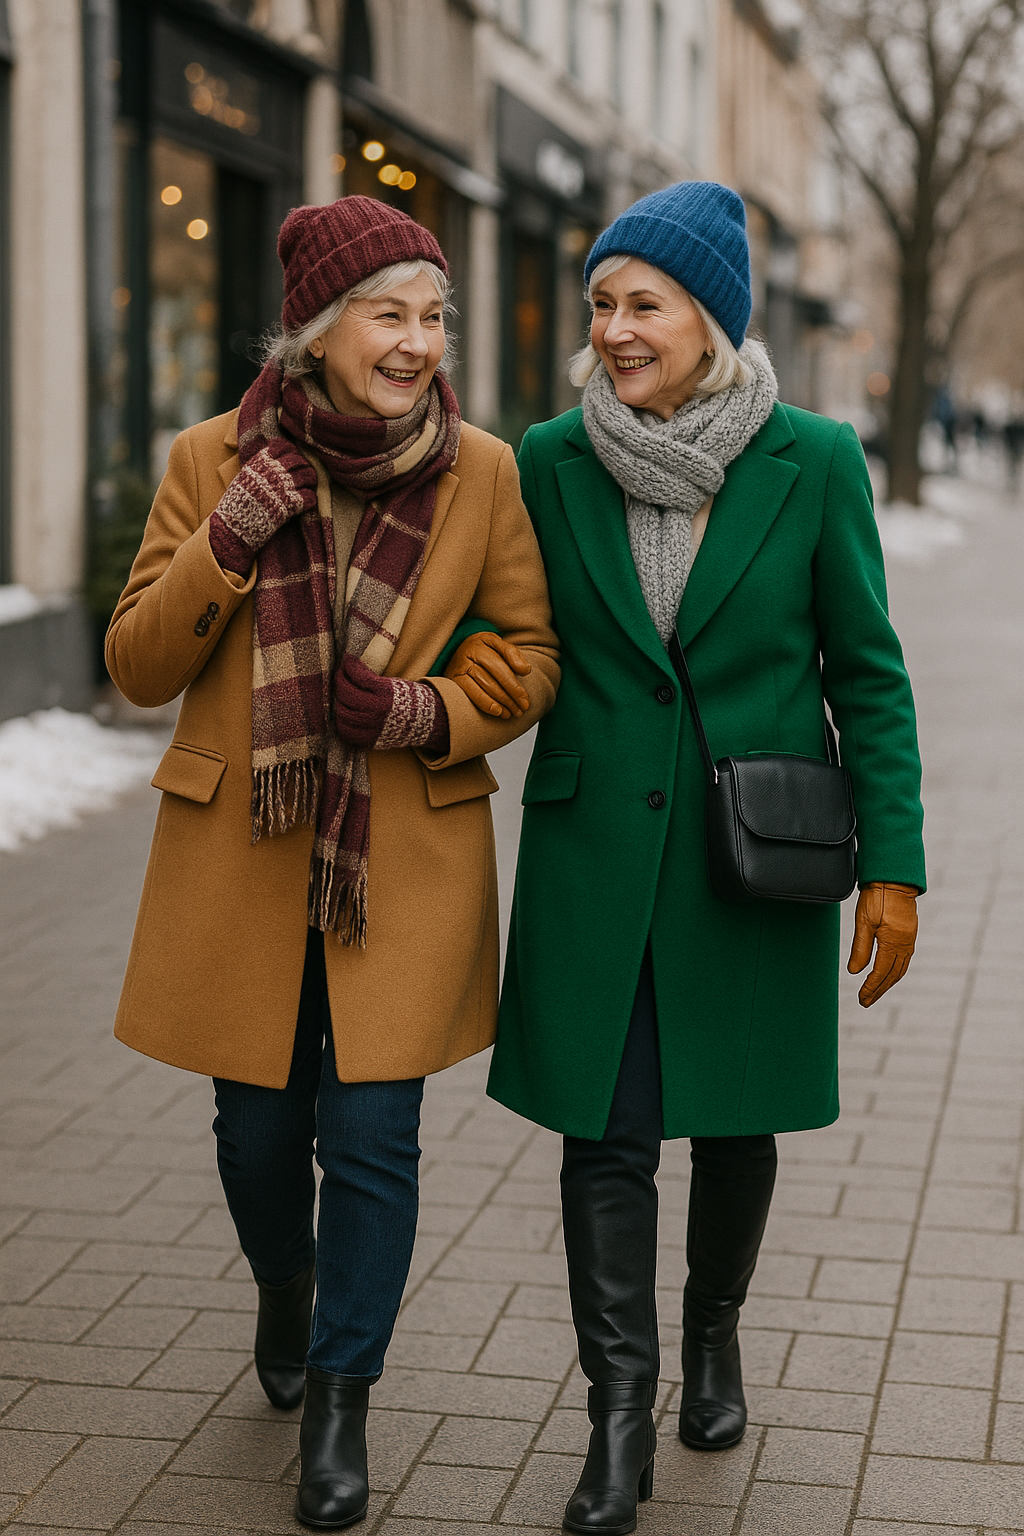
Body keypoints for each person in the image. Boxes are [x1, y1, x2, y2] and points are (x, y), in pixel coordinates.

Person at [105, 196, 559, 1531]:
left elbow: (526, 654)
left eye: (435, 317)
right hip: (240, 860)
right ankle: (287, 1290)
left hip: (397, 863)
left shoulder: (483, 471)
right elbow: (137, 663)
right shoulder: (212, 458)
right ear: (318, 328)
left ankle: (344, 1401)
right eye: (392, 314)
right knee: (257, 1138)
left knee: (373, 1134)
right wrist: (233, 533)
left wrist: (424, 711)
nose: (420, 342)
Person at [479, 182, 924, 1535]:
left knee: (736, 1123)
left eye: (644, 303)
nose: (614, 327)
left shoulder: (815, 459)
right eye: (602, 302)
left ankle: (713, 1333)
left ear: (712, 318)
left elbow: (871, 674)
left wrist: (894, 863)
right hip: (596, 855)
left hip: (755, 855)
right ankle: (619, 1416)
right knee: (602, 1138)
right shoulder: (546, 459)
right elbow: (504, 633)